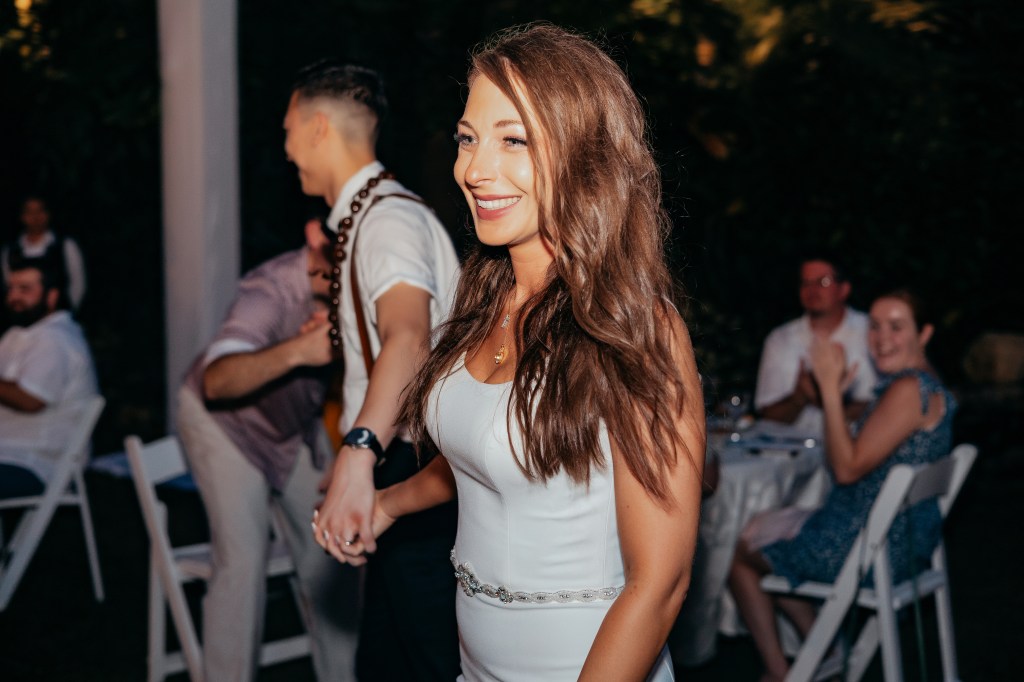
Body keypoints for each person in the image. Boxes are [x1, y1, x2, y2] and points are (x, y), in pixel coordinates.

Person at [318, 23, 707, 681]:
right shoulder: (485, 299)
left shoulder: (633, 328)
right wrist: (385, 504)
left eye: (514, 140)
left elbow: (660, 585)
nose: (474, 170)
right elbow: (482, 457)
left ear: (584, 154)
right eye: (468, 138)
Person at [286, 60, 462, 680]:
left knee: (433, 658)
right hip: (402, 456)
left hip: (412, 462)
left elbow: (408, 338)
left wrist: (357, 454)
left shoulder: (386, 219)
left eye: (288, 132)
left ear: (317, 128)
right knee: (388, 660)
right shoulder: (372, 217)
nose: (287, 151)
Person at [728, 288, 957, 682]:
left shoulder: (908, 389)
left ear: (924, 333)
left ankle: (780, 672)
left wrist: (831, 392)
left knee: (742, 554)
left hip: (866, 548)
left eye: (897, 327)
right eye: (875, 326)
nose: (882, 338)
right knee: (766, 528)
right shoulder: (930, 385)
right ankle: (825, 650)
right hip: (902, 542)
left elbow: (846, 470)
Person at [174, 221, 357, 682]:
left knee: (331, 550)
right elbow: (217, 381)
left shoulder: (359, 286)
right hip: (223, 424)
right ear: (317, 237)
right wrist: (301, 350)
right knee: (242, 558)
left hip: (292, 430)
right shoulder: (269, 289)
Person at [754, 251, 878, 435]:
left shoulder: (873, 331)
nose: (812, 290)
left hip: (856, 445)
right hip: (790, 448)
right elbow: (768, 416)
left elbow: (890, 403)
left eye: (823, 282)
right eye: (806, 283)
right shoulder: (780, 339)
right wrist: (799, 396)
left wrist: (828, 396)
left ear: (844, 289)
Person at [0, 263, 98, 497]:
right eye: (11, 288)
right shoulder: (16, 335)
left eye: (25, 289)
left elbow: (31, 400)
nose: (14, 297)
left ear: (52, 296)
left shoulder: (55, 339)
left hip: (34, 461)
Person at [2, 195, 87, 311]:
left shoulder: (65, 245)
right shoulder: (10, 251)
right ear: (22, 216)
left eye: (40, 211)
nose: (35, 217)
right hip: (23, 315)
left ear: (48, 214)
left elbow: (78, 283)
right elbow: (8, 284)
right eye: (29, 212)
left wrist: (69, 309)